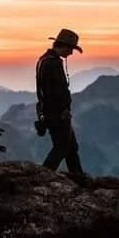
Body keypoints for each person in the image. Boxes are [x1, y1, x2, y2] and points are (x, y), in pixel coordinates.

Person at [35, 28, 88, 184]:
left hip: (51, 113)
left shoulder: (43, 60)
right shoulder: (53, 64)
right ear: (63, 46)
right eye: (70, 49)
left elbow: (44, 91)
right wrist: (62, 111)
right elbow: (56, 92)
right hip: (58, 115)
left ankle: (79, 178)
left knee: (71, 147)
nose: (71, 53)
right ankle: (43, 177)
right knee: (62, 147)